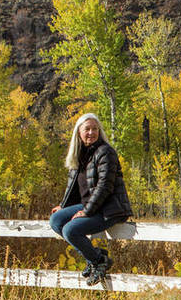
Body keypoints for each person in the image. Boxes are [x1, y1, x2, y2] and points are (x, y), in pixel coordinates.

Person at [49, 113, 133, 285]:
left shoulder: (106, 152)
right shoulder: (79, 154)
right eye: (87, 129)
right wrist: (64, 207)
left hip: (110, 208)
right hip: (90, 205)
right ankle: (95, 257)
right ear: (78, 132)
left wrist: (85, 212)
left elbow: (105, 187)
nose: (91, 133)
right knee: (56, 220)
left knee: (70, 230)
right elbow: (74, 187)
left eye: (95, 129)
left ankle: (97, 261)